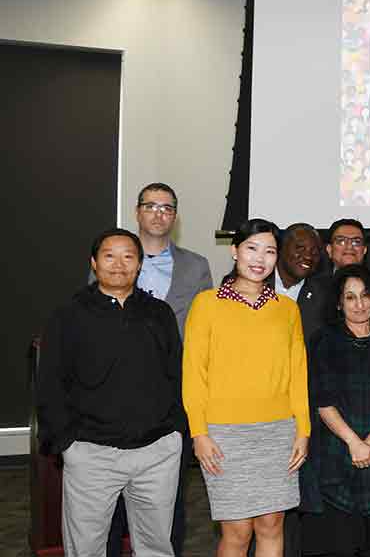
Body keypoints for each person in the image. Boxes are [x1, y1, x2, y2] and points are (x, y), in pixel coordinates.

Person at [38, 228, 185, 556]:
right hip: (91, 453)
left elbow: (177, 374)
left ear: (139, 264)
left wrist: (175, 432)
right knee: (86, 548)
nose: (119, 264)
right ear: (93, 263)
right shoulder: (69, 315)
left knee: (156, 547)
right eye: (109, 256)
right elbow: (49, 383)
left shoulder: (158, 313)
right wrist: (68, 444)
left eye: (128, 256)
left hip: (156, 453)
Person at [93, 182, 212, 557]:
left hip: (172, 395)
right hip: (113, 395)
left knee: (167, 499)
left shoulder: (196, 266)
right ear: (137, 211)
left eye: (167, 207)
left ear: (175, 216)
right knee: (108, 507)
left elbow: (205, 330)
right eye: (151, 206)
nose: (159, 213)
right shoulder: (115, 258)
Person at [183, 218, 310, 557]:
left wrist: (303, 430)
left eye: (269, 251)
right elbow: (194, 374)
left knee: (272, 525)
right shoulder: (206, 303)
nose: (260, 258)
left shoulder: (287, 309)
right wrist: (199, 433)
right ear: (236, 251)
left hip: (279, 432)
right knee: (237, 532)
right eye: (252, 248)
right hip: (223, 434)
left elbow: (298, 374)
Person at [301, 264, 370, 557]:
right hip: (337, 458)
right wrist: (354, 443)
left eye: (365, 296)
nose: (359, 304)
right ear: (338, 303)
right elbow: (321, 399)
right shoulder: (322, 343)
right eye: (350, 297)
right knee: (340, 545)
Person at [269, 222, 328, 557]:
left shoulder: (323, 294)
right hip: (259, 415)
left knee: (300, 500)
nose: (308, 255)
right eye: (300, 247)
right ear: (280, 247)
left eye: (315, 250)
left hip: (306, 413)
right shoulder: (251, 286)